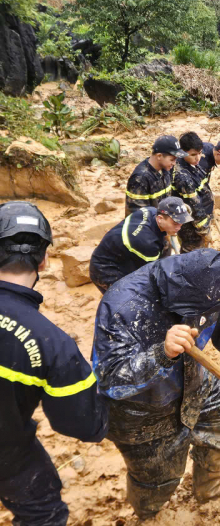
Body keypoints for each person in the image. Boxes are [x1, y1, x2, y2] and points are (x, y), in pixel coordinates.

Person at [92, 249, 220, 519]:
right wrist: (161, 353)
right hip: (140, 410)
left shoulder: (206, 283)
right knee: (158, 476)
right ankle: (150, 515)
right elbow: (110, 378)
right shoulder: (121, 306)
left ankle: (209, 488)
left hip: (194, 380)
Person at [0, 201, 107, 525]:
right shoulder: (52, 345)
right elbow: (82, 424)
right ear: (45, 261)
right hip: (8, 452)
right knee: (44, 513)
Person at [89, 197, 193, 293]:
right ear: (160, 218)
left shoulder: (151, 211)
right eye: (175, 223)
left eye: (181, 222)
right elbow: (151, 275)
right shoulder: (146, 243)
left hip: (118, 251)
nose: (179, 228)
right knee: (128, 301)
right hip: (105, 269)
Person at [174, 132, 215, 253]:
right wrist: (204, 230)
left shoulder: (193, 164)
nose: (198, 158)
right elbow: (194, 206)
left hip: (202, 219)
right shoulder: (183, 176)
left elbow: (203, 189)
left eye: (200, 153)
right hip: (191, 227)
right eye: (193, 154)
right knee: (192, 255)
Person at [125, 135, 186, 216]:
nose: (174, 163)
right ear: (159, 156)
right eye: (172, 159)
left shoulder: (166, 168)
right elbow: (138, 215)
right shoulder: (140, 178)